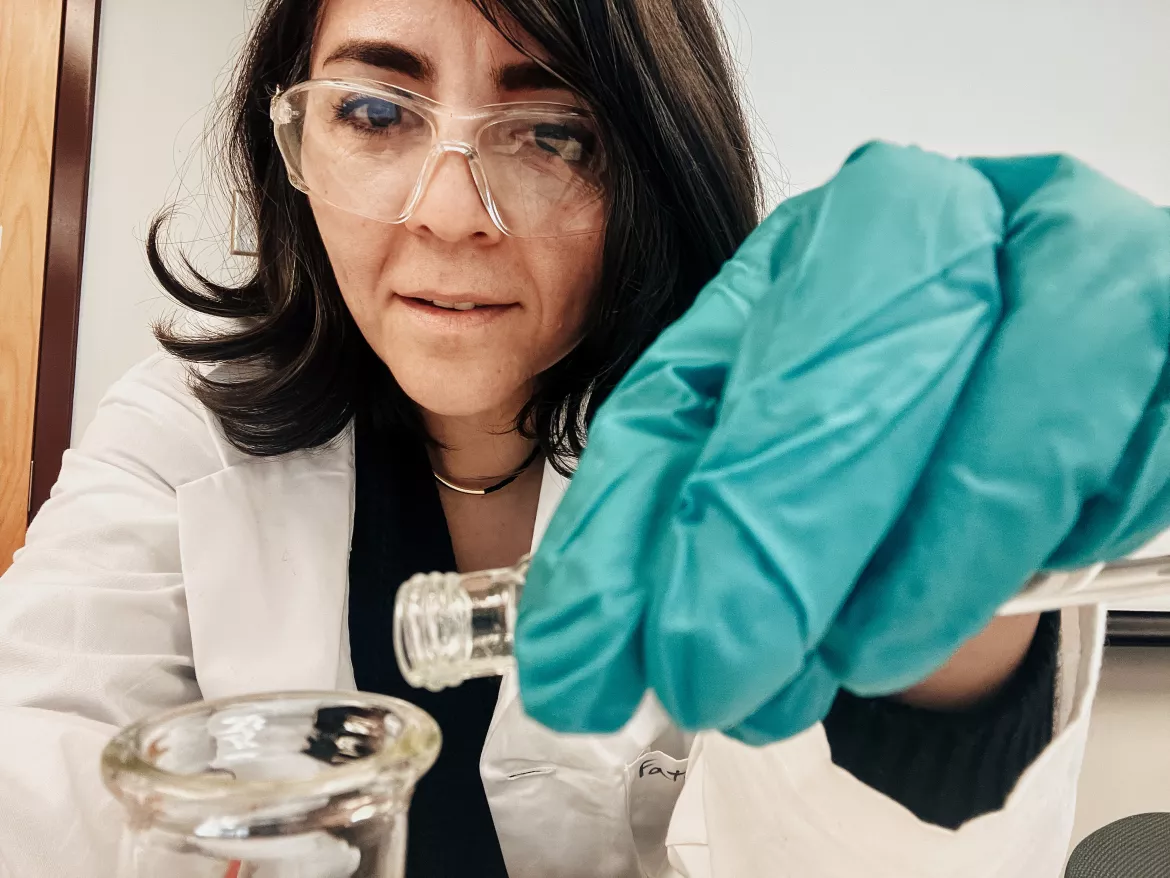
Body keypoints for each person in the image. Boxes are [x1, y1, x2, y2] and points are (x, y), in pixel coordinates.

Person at [1, 0, 1168, 875]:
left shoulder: (757, 438)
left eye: (550, 132)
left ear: (646, 166)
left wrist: (931, 642)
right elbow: (32, 766)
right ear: (295, 145)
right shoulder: (180, 430)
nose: (449, 214)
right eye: (372, 111)